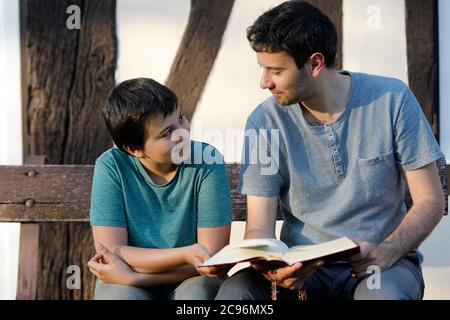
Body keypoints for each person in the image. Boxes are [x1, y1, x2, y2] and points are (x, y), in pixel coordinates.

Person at [215, 0, 445, 300]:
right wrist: (276, 268)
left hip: (381, 263)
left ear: (315, 64)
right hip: (303, 270)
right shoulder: (264, 121)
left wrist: (386, 252)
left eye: (275, 70)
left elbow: (430, 201)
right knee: (237, 293)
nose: (264, 82)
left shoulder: (392, 99)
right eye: (263, 69)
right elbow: (259, 228)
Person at [87, 78, 232, 300]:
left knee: (195, 294)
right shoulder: (111, 166)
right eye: (168, 132)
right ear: (134, 148)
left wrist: (135, 277)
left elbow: (211, 260)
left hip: (191, 278)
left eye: (181, 117)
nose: (183, 132)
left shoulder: (207, 161)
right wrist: (186, 253)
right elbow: (112, 253)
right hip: (128, 282)